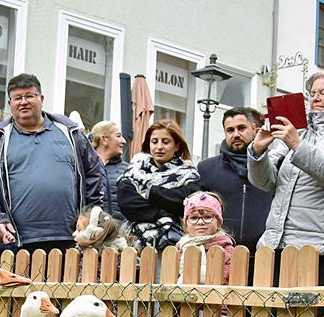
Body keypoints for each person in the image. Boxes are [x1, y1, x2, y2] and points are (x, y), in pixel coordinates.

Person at [0, 73, 107, 253]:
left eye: (29, 96)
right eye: (17, 98)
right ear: (9, 103)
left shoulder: (70, 133)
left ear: (41, 99)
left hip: (70, 237)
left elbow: (94, 172)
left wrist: (89, 215)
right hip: (15, 240)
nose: (23, 102)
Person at [249, 71, 324, 253]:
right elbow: (266, 183)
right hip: (274, 245)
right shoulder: (298, 131)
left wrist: (298, 146)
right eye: (312, 94)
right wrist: (258, 153)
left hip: (318, 247)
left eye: (323, 93)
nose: (315, 99)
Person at [116, 119, 202, 249]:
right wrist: (164, 213)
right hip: (133, 243)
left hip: (173, 243)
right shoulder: (133, 171)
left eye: (166, 142)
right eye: (154, 141)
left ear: (177, 145)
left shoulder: (189, 174)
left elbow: (185, 202)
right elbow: (127, 204)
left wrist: (152, 193)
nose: (159, 147)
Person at [198, 107, 274, 251]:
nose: (236, 134)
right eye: (230, 130)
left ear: (255, 129)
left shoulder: (273, 166)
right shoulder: (207, 169)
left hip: (264, 254)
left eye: (241, 128)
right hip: (220, 253)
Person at [176, 191, 235, 284]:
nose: (200, 222)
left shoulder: (226, 248)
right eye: (194, 218)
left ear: (218, 223)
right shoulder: (180, 247)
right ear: (186, 224)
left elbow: (227, 277)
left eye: (207, 217)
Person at [89, 120, 127, 220]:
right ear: (104, 140)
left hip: (120, 233)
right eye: (118, 136)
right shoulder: (85, 167)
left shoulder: (128, 170)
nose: (124, 141)